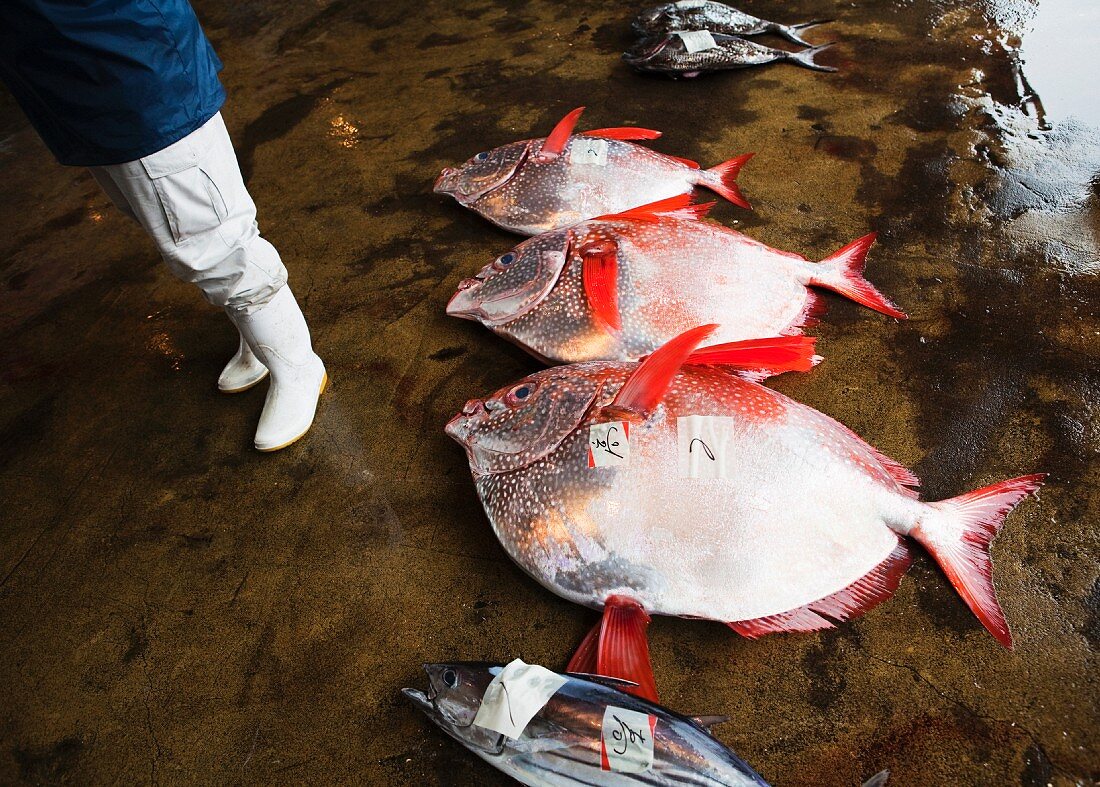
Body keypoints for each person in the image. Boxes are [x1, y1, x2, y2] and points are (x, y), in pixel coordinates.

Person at [0, 0, 326, 452]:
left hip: (127, 59)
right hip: (65, 78)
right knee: (163, 224)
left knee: (211, 238)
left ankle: (297, 364)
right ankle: (258, 339)